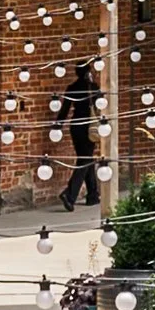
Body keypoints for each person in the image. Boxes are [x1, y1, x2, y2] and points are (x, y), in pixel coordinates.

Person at [60, 61, 100, 210]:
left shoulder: (71, 88)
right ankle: (69, 195)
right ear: (88, 71)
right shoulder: (94, 88)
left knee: (86, 158)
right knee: (85, 159)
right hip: (89, 127)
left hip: (75, 127)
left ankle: (93, 195)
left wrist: (57, 126)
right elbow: (100, 108)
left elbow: (64, 110)